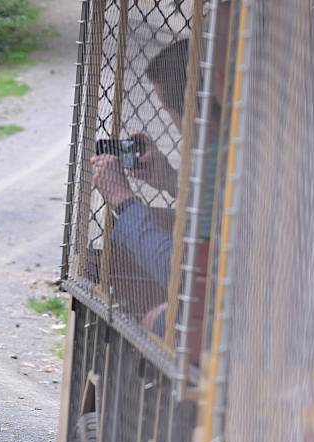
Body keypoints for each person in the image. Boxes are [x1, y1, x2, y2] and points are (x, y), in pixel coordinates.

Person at [91, 39, 220, 339]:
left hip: (229, 320)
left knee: (156, 320)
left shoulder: (216, 156)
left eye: (169, 110)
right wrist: (172, 181)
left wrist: (124, 203)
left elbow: (181, 277)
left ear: (189, 109)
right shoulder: (239, 149)